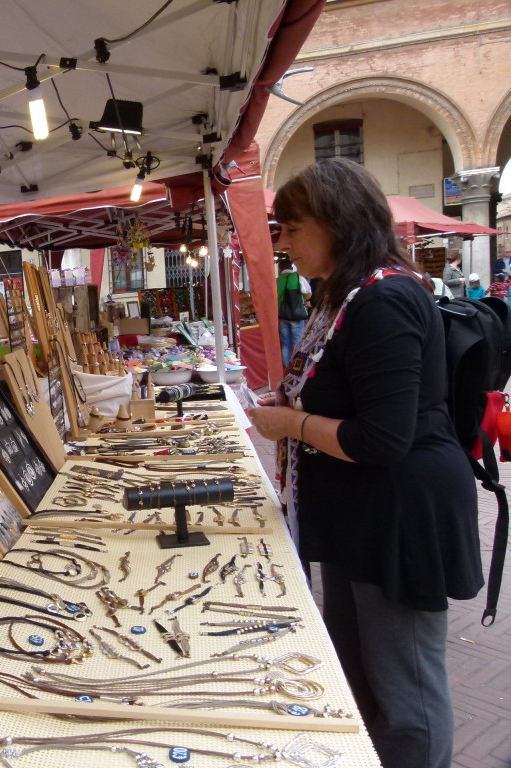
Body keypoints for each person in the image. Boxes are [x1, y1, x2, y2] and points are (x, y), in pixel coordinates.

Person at [248, 159, 482, 768]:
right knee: (359, 668)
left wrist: (291, 423)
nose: (283, 243)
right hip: (364, 513)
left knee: (406, 688)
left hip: (400, 518)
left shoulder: (385, 299)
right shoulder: (344, 298)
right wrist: (294, 401)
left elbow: (383, 438)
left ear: (338, 224)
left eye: (293, 228)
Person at [276, 255, 311, 364]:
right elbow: (308, 294)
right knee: (297, 343)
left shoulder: (276, 281)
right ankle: (295, 369)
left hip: (282, 315)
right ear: (291, 267)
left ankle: (287, 369)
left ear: (280, 269)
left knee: (285, 344)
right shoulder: (297, 277)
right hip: (297, 315)